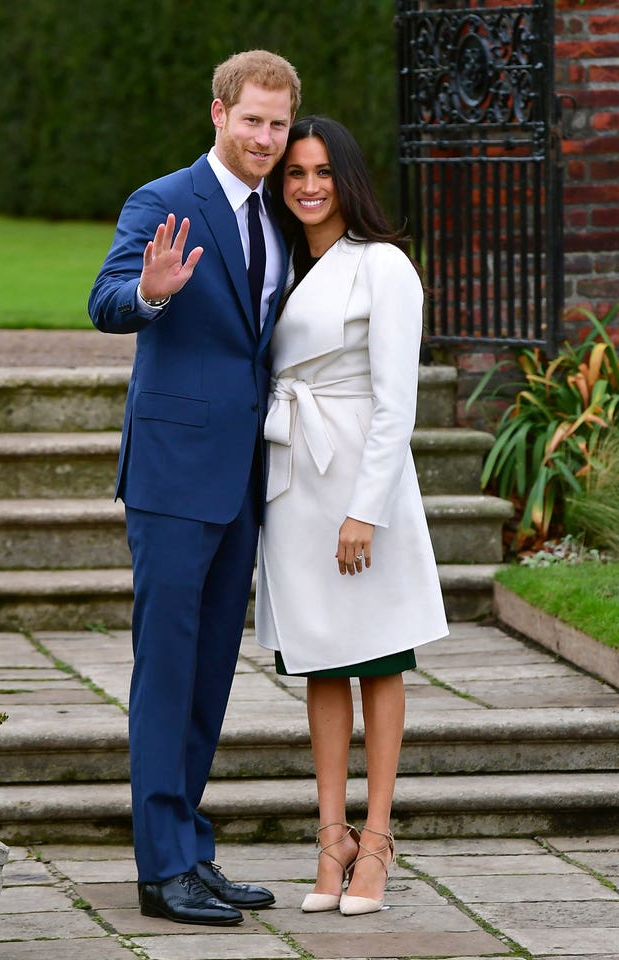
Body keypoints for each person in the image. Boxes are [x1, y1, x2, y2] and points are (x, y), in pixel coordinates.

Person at [88, 50, 301, 926]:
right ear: (218, 113)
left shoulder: (284, 216)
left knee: (211, 671)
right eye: (251, 119)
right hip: (174, 476)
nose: (265, 138)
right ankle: (160, 868)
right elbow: (104, 300)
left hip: (244, 478)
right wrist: (148, 289)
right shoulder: (163, 200)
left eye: (278, 124)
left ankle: (190, 850)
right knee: (168, 669)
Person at [255, 116, 449, 916]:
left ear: (348, 178)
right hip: (295, 480)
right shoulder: (276, 264)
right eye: (294, 171)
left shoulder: (384, 265)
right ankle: (329, 838)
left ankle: (375, 842)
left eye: (323, 171)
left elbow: (395, 402)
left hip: (361, 485)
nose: (307, 184)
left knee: (378, 658)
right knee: (321, 661)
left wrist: (365, 511)